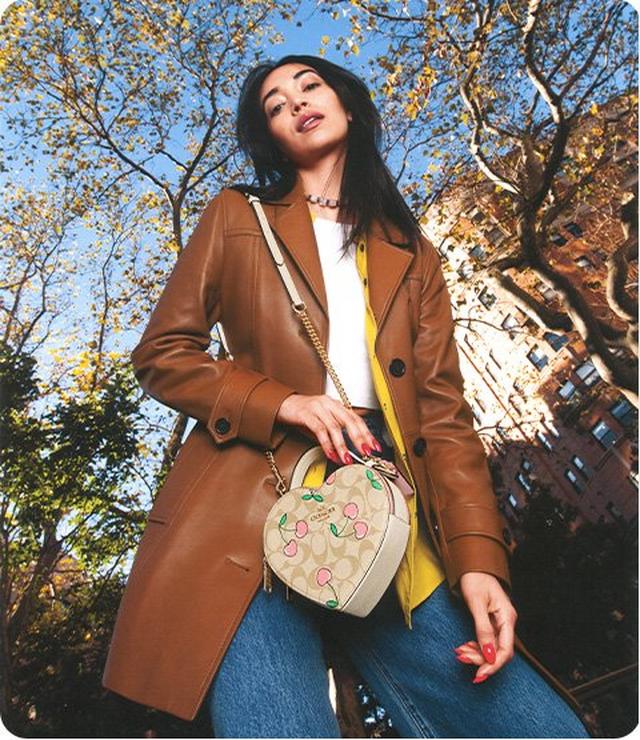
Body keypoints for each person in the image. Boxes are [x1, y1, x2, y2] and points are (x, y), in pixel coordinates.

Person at [101, 54, 593, 738]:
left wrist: (480, 562)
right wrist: (284, 402)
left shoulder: (412, 252)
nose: (296, 103)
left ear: (349, 106)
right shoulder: (239, 215)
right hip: (245, 516)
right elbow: (162, 354)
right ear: (272, 137)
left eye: (309, 87)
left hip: (385, 511)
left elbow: (446, 418)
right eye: (275, 105)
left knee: (539, 728)